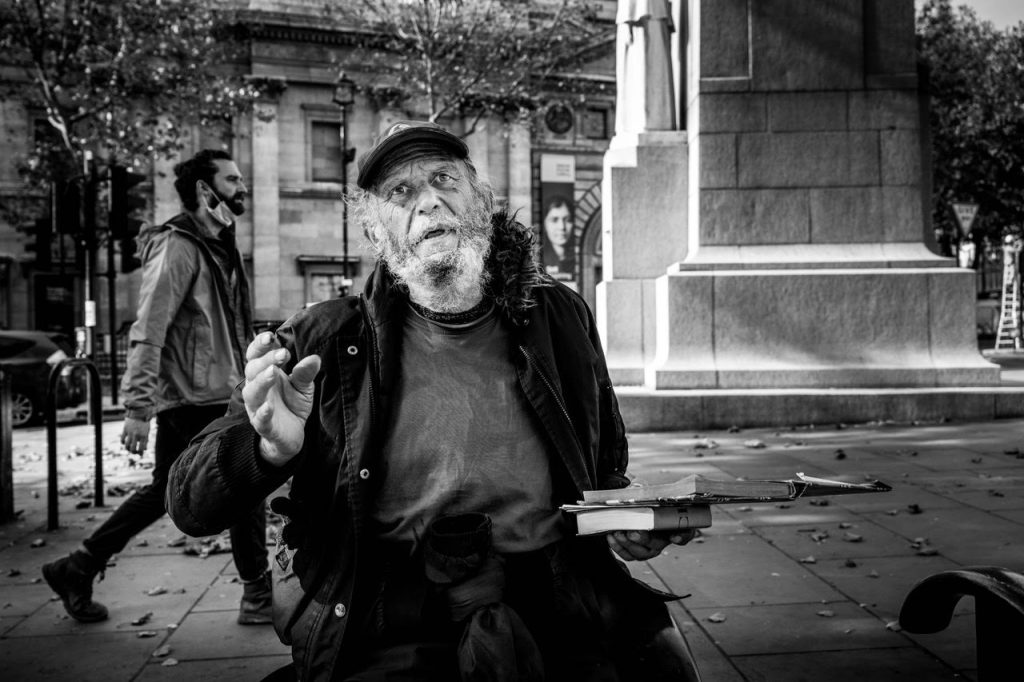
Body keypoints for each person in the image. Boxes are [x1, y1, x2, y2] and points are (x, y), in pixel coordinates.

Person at [166, 121, 702, 681]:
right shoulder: (320, 343)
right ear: (377, 234)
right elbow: (188, 503)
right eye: (400, 192)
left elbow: (604, 470)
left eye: (444, 178)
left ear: (481, 201)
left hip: (559, 591)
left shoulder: (559, 317)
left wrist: (629, 519)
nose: (428, 201)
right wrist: (267, 447)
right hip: (392, 611)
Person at [42, 149, 271, 626]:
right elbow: (149, 326)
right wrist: (137, 407)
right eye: (232, 179)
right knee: (233, 487)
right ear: (205, 191)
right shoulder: (179, 246)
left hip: (219, 390)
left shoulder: (219, 242)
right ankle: (256, 595)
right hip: (192, 396)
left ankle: (79, 565)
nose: (241, 186)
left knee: (187, 490)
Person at [541, 195, 576, 279]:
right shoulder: (539, 259)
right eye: (554, 220)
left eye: (567, 220)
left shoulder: (578, 259)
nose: (562, 227)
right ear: (545, 224)